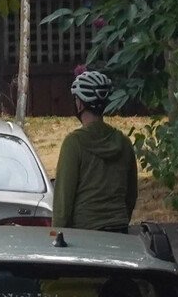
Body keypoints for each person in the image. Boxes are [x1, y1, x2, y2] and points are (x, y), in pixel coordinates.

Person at [53, 69, 138, 232]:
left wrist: (57, 235)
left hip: (86, 233)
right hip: (119, 229)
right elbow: (131, 195)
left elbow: (63, 203)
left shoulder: (74, 143)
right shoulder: (124, 143)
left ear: (79, 103)